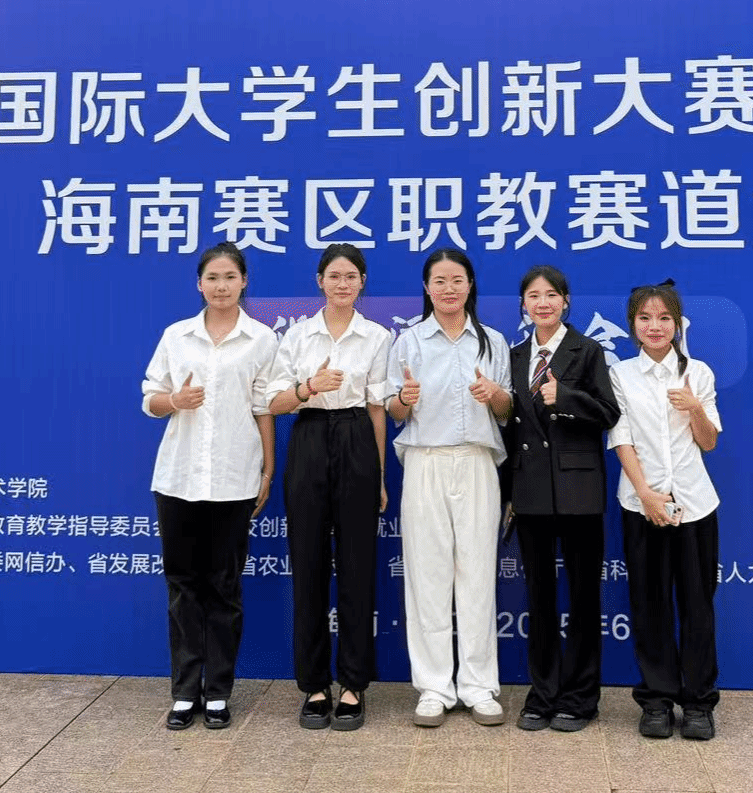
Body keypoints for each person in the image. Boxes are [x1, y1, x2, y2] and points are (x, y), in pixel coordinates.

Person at [141, 242, 282, 731]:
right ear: (199, 284)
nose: (221, 286)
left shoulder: (261, 339)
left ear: (244, 282)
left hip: (234, 477)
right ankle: (185, 691)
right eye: (212, 278)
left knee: (224, 588)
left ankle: (218, 690)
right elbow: (150, 398)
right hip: (178, 478)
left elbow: (264, 407)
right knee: (182, 587)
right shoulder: (176, 336)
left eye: (230, 277)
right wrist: (174, 401)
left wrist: (267, 471)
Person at [266, 243, 391, 731]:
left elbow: (378, 408)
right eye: (334, 275)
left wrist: (379, 475)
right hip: (310, 437)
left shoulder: (377, 336)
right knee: (309, 565)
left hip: (358, 437)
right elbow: (275, 403)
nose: (342, 284)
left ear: (362, 283)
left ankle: (353, 684)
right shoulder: (298, 336)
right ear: (320, 281)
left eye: (351, 276)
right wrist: (307, 388)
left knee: (358, 567)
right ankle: (315, 685)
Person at [385, 247, 512, 728]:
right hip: (426, 461)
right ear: (426, 288)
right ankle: (434, 687)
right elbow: (394, 410)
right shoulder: (409, 341)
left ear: (470, 285)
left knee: (477, 575)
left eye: (457, 280)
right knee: (427, 576)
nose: (448, 289)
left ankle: (479, 686)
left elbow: (506, 411)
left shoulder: (492, 341)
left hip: (477, 461)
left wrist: (495, 395)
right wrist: (404, 398)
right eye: (439, 281)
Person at [504, 265, 620, 733]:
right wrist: (507, 492)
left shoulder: (587, 350)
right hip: (530, 491)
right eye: (534, 295)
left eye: (551, 294)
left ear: (566, 301)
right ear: (523, 305)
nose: (543, 303)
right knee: (540, 598)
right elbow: (508, 429)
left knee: (584, 596)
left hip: (579, 490)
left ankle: (580, 697)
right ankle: (543, 693)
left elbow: (609, 412)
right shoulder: (515, 356)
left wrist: (565, 395)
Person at [607, 279, 723, 742]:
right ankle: (655, 701)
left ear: (677, 324)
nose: (654, 326)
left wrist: (694, 407)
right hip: (642, 505)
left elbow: (709, 442)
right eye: (645, 318)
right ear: (632, 324)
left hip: (695, 505)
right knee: (649, 605)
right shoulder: (621, 374)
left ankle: (698, 703)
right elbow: (621, 438)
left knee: (698, 607)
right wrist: (647, 495)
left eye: (663, 318)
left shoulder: (699, 373)